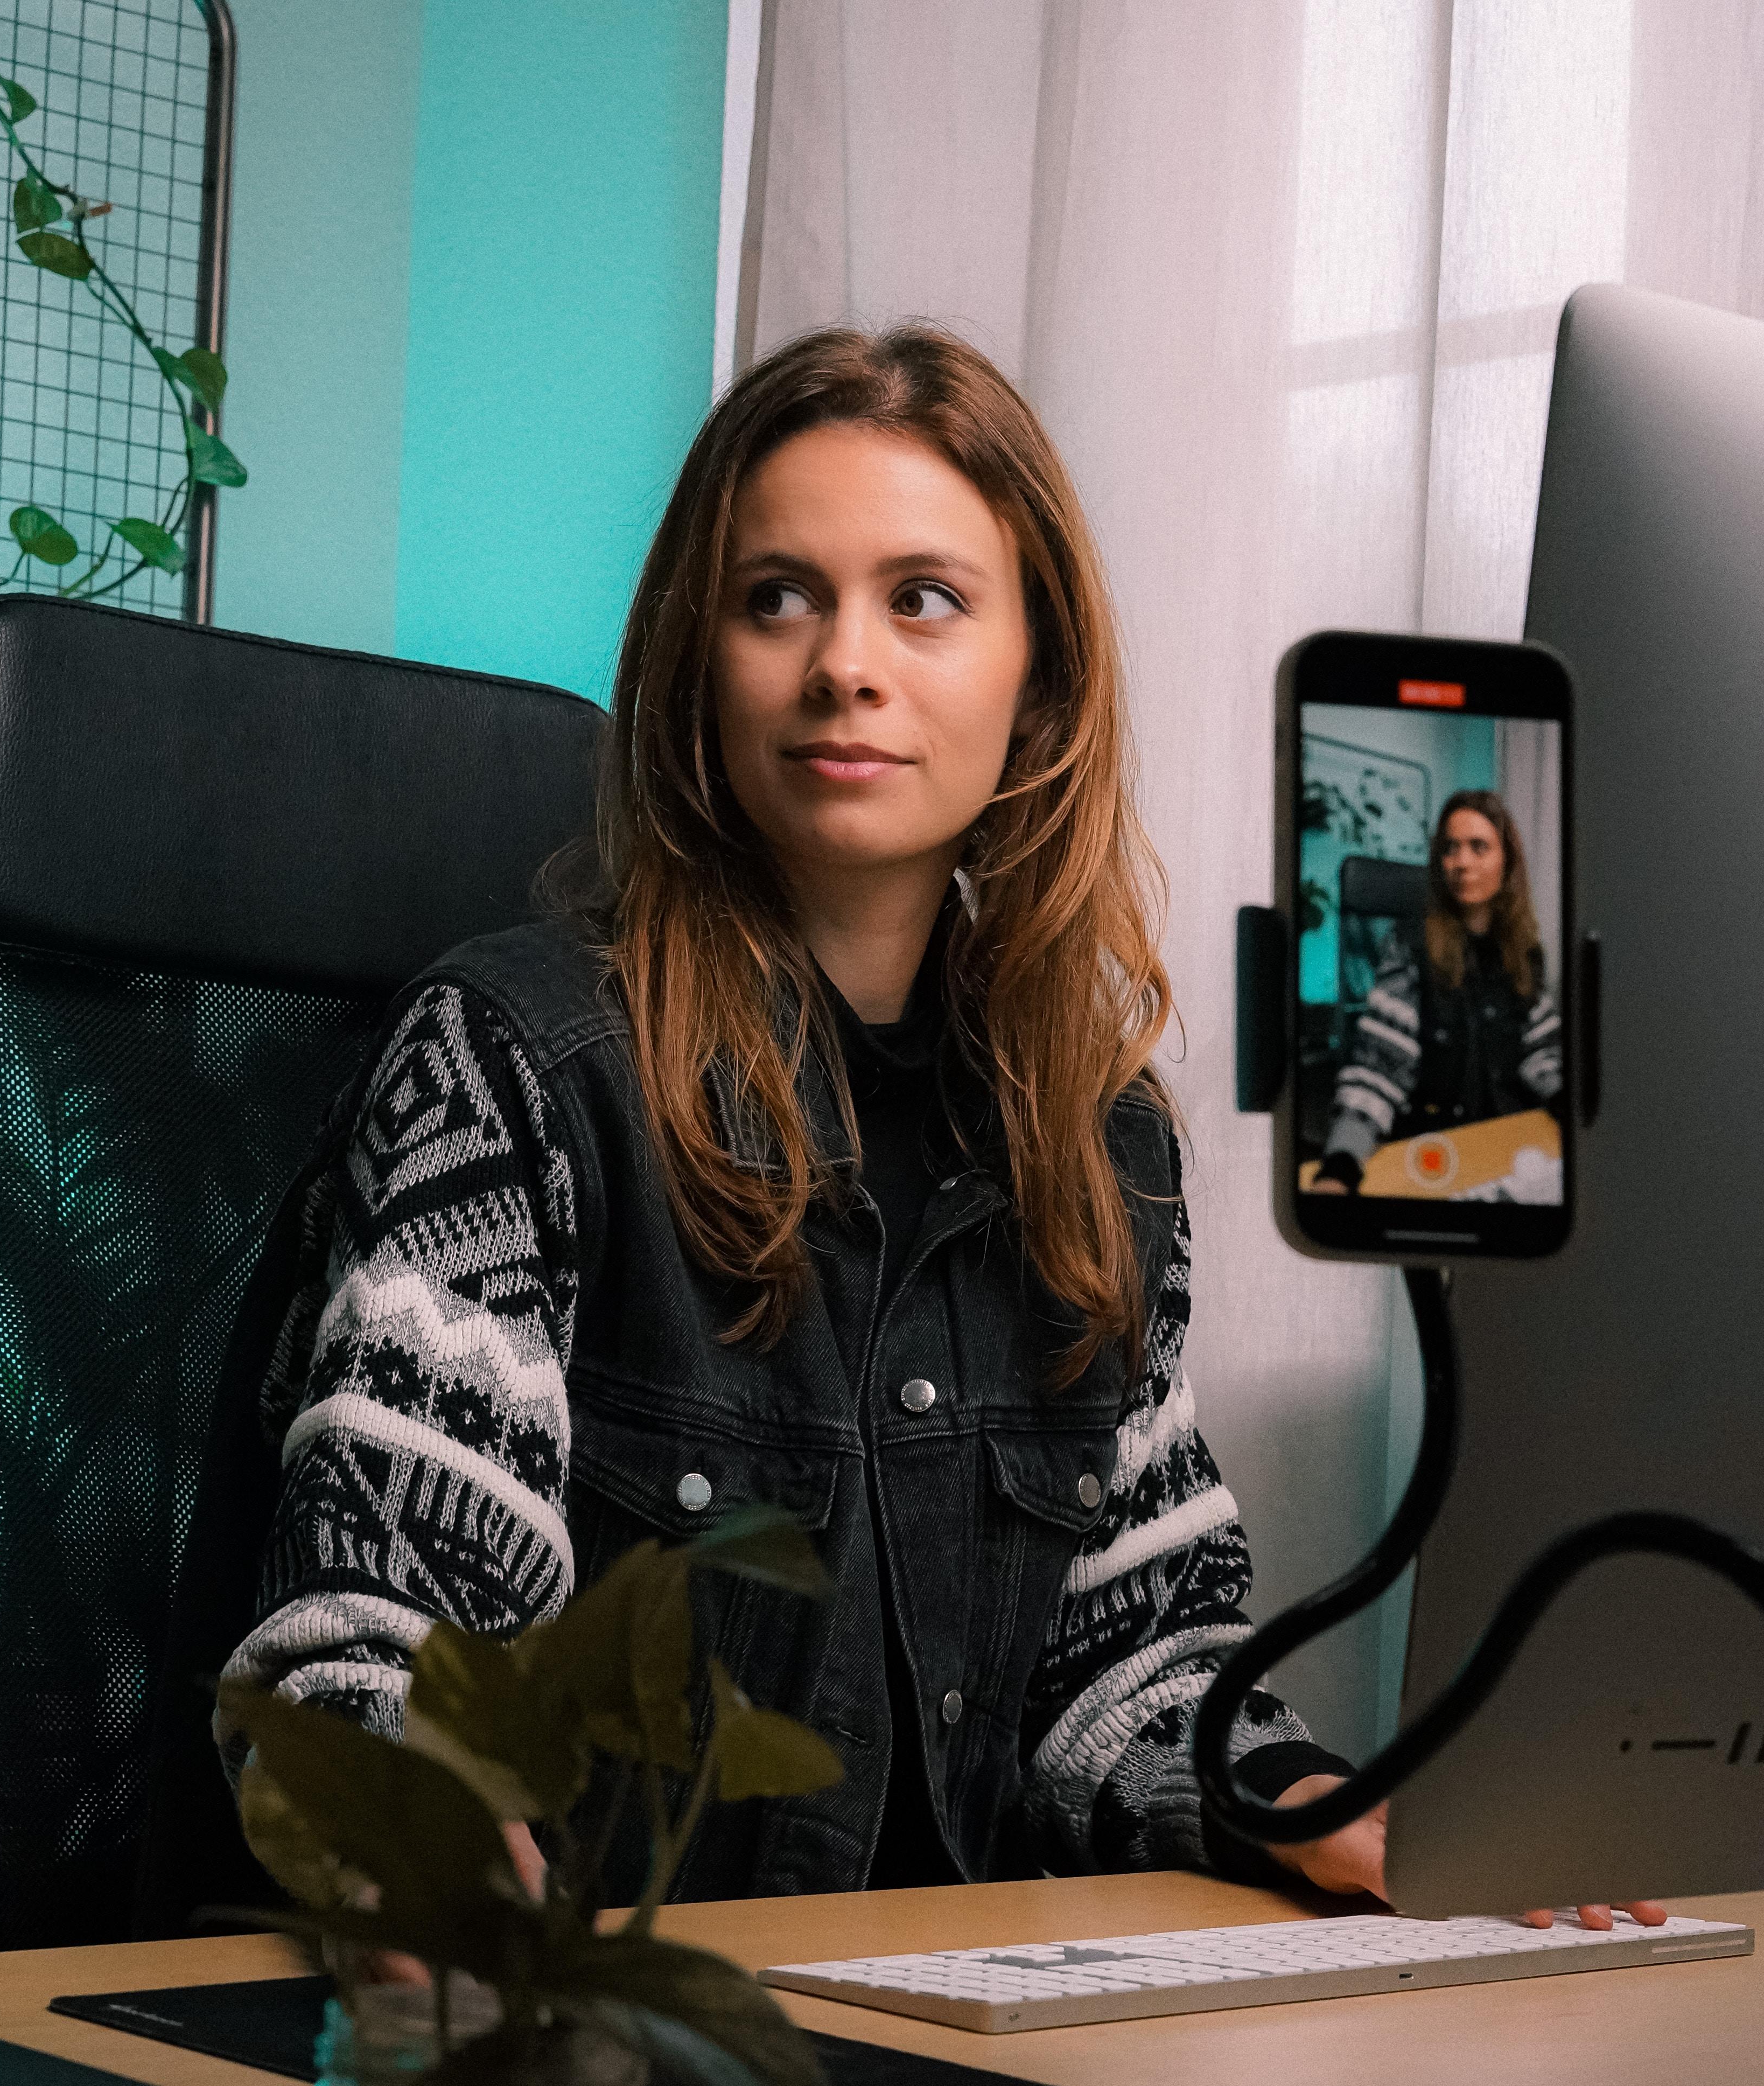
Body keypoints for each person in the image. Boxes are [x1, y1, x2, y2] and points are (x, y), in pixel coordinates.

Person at [217, 326, 1653, 1929]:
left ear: (1034, 682)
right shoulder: (514, 1065)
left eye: (923, 598)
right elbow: (372, 1642)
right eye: (777, 597)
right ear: (700, 667)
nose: (843, 660)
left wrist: (1318, 1807)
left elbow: (1128, 1662)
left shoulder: (1098, 1142)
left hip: (964, 2027)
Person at [1309, 791, 1563, 1198]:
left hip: (1511, 1150)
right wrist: (1341, 1164)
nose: (1462, 862)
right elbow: (1379, 1068)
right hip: (1439, 1157)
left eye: (1479, 847)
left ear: (1507, 862)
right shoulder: (1410, 947)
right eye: (1450, 848)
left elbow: (1543, 1054)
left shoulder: (1525, 953)